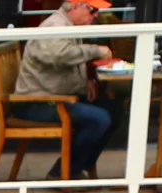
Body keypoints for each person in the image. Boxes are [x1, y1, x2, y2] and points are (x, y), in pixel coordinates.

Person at [13, 0, 116, 179]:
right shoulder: (54, 26)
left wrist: (87, 81)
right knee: (99, 119)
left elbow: (64, 66)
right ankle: (63, 172)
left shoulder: (68, 26)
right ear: (76, 7)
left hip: (54, 98)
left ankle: (77, 167)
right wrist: (96, 51)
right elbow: (60, 56)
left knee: (115, 110)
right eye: (93, 10)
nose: (96, 15)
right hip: (37, 103)